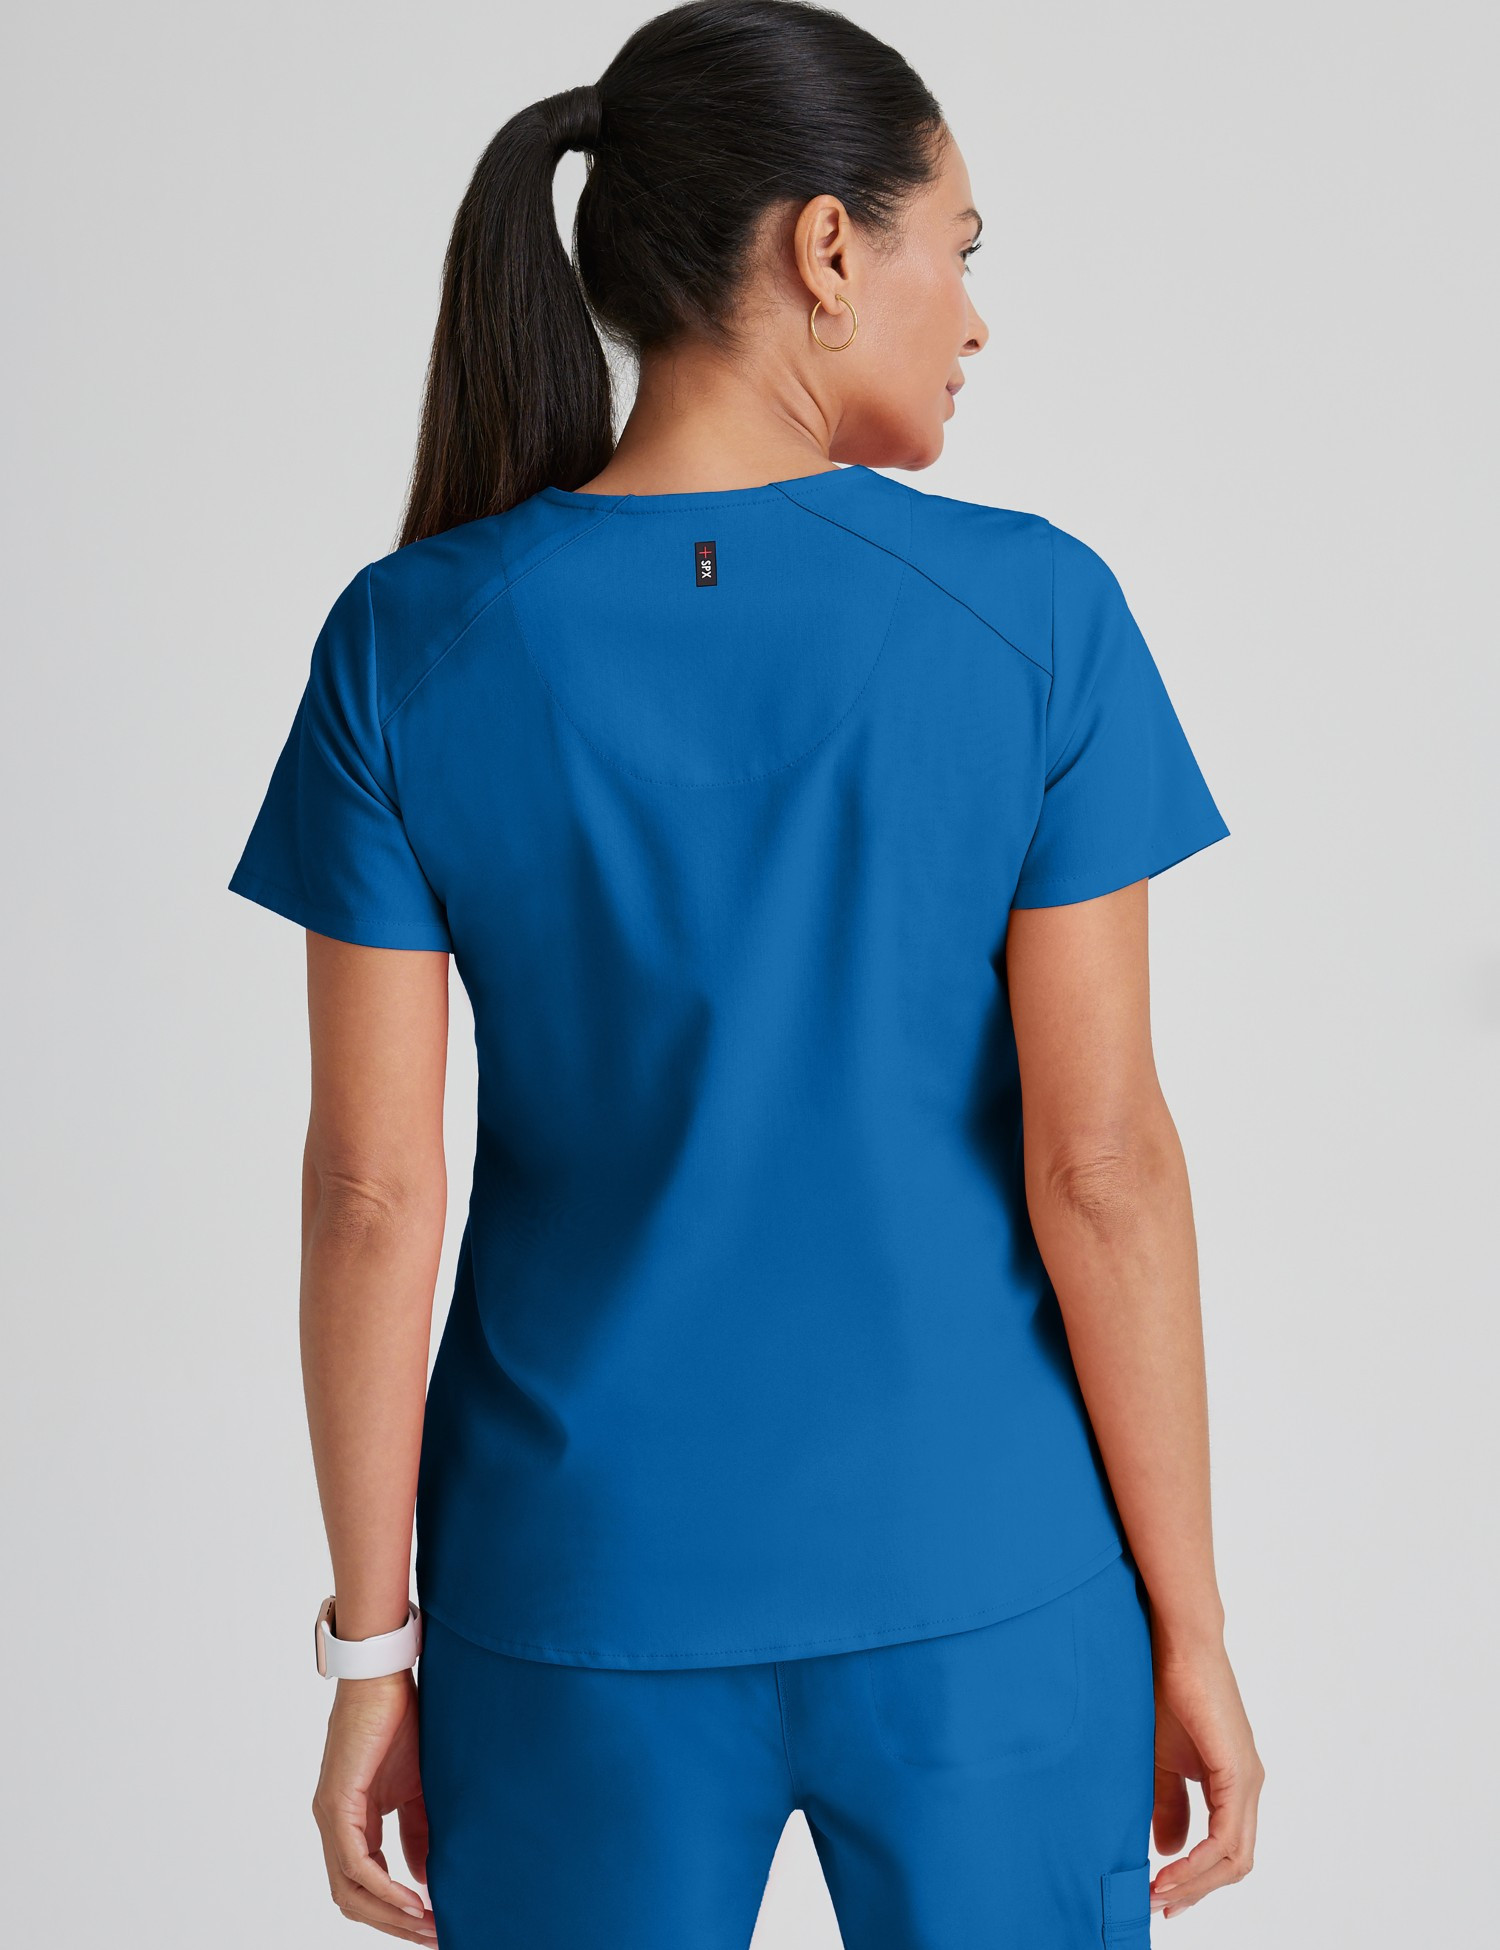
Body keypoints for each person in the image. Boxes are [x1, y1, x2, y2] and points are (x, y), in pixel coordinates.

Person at [228, 2, 1263, 1944]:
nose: (974, 318)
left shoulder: (407, 642)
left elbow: (370, 1194)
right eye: (960, 247)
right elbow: (1103, 1164)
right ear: (826, 249)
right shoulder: (1037, 614)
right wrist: (1191, 1622)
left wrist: (373, 1650)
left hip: (572, 1592)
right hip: (983, 1577)